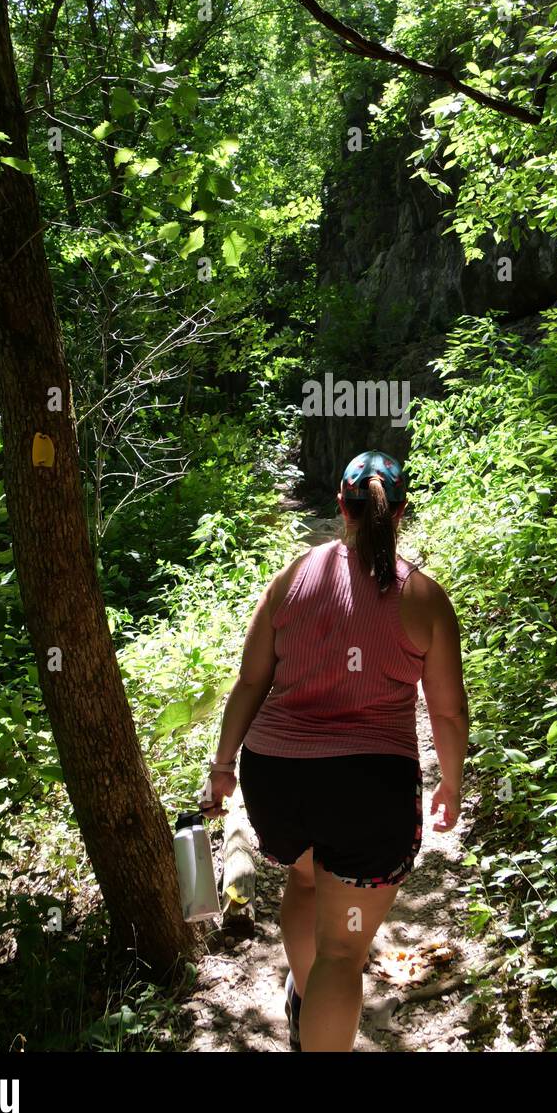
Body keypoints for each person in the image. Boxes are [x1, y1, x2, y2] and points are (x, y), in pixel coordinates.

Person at [198, 449, 467, 1052]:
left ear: (341, 508)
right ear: (400, 511)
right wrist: (451, 782)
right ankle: (319, 1001)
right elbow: (448, 711)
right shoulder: (424, 597)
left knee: (307, 882)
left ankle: (303, 998)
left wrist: (222, 767)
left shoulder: (294, 578)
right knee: (343, 952)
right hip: (369, 789)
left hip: (277, 780)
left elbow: (250, 681)